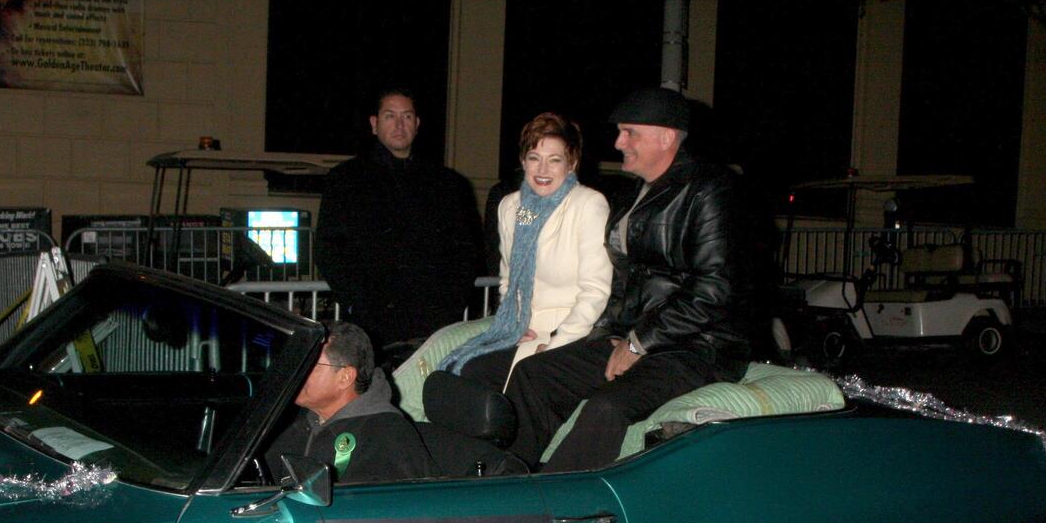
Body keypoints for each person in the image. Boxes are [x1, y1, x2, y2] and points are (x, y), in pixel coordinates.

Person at [504, 88, 750, 473]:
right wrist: (606, 334)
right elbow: (623, 279)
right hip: (638, 337)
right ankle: (510, 481)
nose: (618, 142)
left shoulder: (710, 189)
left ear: (665, 136)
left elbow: (714, 290)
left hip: (698, 347)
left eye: (629, 132)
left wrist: (638, 344)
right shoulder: (632, 193)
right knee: (534, 374)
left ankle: (560, 500)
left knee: (608, 406)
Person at [437, 112, 611, 391]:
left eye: (554, 160)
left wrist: (556, 344)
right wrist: (515, 326)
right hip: (521, 330)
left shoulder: (588, 204)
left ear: (572, 164)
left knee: (476, 376)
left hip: (570, 334)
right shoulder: (511, 207)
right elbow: (508, 279)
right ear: (523, 161)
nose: (542, 169)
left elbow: (595, 292)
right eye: (534, 158)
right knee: (455, 368)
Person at [315, 88, 481, 352]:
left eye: (406, 116)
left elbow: (465, 252)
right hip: (370, 324)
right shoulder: (346, 179)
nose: (399, 125)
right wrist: (357, 303)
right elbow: (329, 249)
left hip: (433, 323)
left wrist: (449, 307)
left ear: (417, 124)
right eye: (390, 116)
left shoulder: (448, 184)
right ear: (374, 124)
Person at [265, 322, 434, 485]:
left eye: (310, 364)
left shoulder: (387, 435)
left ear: (345, 377)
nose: (297, 371)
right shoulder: (292, 422)